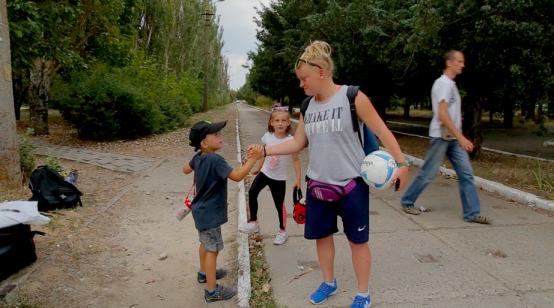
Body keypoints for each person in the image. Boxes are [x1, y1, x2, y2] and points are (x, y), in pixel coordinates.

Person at [248, 41, 409, 308]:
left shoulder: (353, 97)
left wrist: (402, 163)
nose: (301, 84)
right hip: (318, 187)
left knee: (357, 242)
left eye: (304, 79)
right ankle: (329, 282)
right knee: (322, 238)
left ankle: (363, 294)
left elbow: (382, 131)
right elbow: (299, 143)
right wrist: (265, 150)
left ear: (321, 72)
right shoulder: (308, 106)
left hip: (352, 186)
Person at [400, 50, 490, 224]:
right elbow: (442, 114)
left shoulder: (450, 84)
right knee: (428, 173)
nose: (462, 65)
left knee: (466, 174)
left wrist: (458, 137)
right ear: (449, 62)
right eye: (459, 61)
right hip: (441, 136)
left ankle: (472, 213)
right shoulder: (443, 84)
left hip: (452, 139)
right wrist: (462, 137)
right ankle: (407, 201)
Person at [183, 120, 263, 302]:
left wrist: (197, 162)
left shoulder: (198, 157)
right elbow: (237, 176)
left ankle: (204, 273)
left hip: (200, 210)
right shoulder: (215, 159)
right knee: (213, 250)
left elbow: (185, 169)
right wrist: (254, 158)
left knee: (205, 243)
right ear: (204, 143)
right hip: (210, 213)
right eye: (216, 135)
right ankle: (212, 291)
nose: (220, 137)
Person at [239, 109, 302, 245]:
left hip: (279, 178)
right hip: (265, 173)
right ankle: (253, 222)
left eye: (283, 120)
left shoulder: (291, 141)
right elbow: (264, 153)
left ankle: (282, 231)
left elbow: (296, 160)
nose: (280, 123)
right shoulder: (268, 136)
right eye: (277, 121)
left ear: (288, 123)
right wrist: (258, 168)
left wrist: (298, 179)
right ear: (272, 123)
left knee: (279, 205)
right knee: (252, 192)